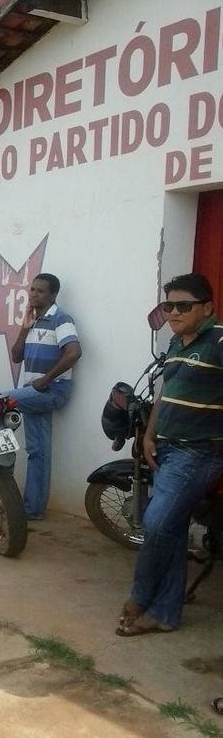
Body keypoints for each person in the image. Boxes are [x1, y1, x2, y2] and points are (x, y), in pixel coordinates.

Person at [117, 273, 223, 637]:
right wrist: (149, 434)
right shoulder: (178, 343)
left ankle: (140, 599)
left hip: (199, 452)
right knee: (173, 530)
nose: (174, 313)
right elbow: (166, 392)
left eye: (183, 306)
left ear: (207, 307)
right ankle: (164, 613)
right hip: (166, 449)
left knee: (158, 524)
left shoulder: (219, 340)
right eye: (168, 306)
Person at [8, 274, 81, 521]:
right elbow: (16, 356)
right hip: (33, 392)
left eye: (40, 291)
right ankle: (33, 509)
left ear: (52, 295)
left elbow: (73, 352)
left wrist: (46, 380)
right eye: (32, 289)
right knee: (37, 451)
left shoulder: (61, 318)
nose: (33, 294)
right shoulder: (34, 320)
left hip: (51, 390)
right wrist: (24, 328)